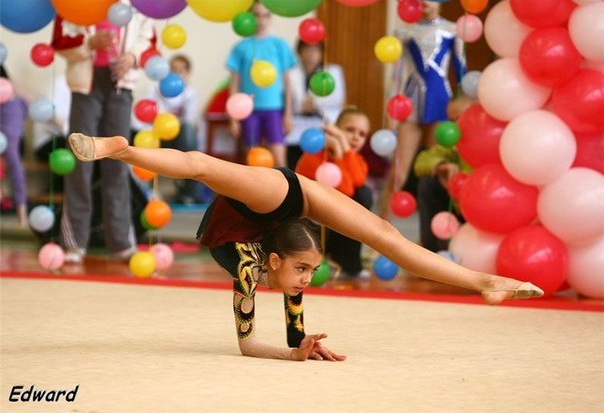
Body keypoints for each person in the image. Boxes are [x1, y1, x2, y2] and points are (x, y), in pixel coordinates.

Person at [67, 131, 545, 361]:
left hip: (276, 206)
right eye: (304, 272)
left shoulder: (270, 268)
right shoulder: (266, 271)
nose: (306, 281)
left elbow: (258, 337)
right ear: (279, 261)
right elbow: (251, 342)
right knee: (200, 165)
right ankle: (123, 148)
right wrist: (296, 349)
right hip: (260, 215)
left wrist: (295, 349)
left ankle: (485, 281)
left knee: (388, 238)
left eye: (305, 272)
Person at [51, 10, 154, 264]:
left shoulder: (137, 5)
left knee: (118, 162)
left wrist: (132, 57)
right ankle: (74, 243)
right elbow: (59, 41)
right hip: (85, 87)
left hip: (120, 85)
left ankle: (121, 243)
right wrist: (89, 44)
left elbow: (150, 40)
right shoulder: (75, 3)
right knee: (79, 162)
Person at [379, 0, 468, 220]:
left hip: (442, 102)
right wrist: (392, 113)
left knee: (441, 169)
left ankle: (438, 232)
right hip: (411, 102)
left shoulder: (452, 29)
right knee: (398, 173)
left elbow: (461, 71)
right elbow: (397, 75)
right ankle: (379, 234)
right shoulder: (403, 31)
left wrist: (464, 108)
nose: (423, 2)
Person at [295, 107, 372, 278]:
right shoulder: (314, 156)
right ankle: (328, 260)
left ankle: (347, 263)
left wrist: (343, 151)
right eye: (349, 130)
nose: (355, 137)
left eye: (362, 134)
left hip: (332, 223)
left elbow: (357, 183)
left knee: (363, 193)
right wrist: (339, 153)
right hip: (310, 224)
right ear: (335, 130)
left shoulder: (356, 159)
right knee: (359, 195)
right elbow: (346, 190)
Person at [226, 0, 296, 168]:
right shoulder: (241, 47)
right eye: (256, 15)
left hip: (274, 110)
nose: (261, 20)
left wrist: (288, 114)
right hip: (248, 111)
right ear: (249, 17)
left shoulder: (280, 46)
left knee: (280, 161)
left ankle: (287, 194)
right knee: (252, 161)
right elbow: (234, 85)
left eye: (266, 15)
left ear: (270, 17)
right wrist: (233, 118)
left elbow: (288, 84)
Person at [132, 54, 208, 204]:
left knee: (187, 130)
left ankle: (190, 192)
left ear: (187, 73)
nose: (177, 73)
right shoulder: (154, 89)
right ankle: (144, 190)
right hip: (156, 136)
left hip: (179, 139)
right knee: (141, 133)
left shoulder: (190, 94)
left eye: (181, 70)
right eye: (173, 69)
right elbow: (147, 118)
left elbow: (189, 120)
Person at [286, 40, 345, 170]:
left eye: (315, 50)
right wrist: (301, 106)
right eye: (307, 49)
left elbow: (338, 99)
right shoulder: (291, 73)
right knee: (294, 157)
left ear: (321, 52)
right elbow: (288, 100)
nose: (311, 54)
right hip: (298, 122)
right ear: (300, 52)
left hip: (323, 120)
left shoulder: (332, 71)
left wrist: (315, 104)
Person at [413, 144, 470, 252]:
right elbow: (421, 162)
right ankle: (430, 251)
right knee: (428, 183)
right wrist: (441, 166)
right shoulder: (461, 139)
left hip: (488, 209)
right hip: (458, 202)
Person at [0, 65, 28, 226]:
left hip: (11, 141)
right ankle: (21, 214)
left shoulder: (15, 100)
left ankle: (22, 214)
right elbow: (25, 113)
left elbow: (26, 111)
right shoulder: (17, 100)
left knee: (17, 171)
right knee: (16, 171)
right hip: (10, 141)